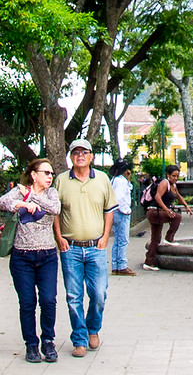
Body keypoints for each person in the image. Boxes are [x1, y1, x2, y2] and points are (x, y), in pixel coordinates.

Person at [53, 139, 118, 358]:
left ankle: (93, 328)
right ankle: (79, 338)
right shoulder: (61, 181)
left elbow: (109, 210)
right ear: (71, 157)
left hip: (95, 247)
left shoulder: (102, 179)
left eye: (84, 152)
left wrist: (106, 237)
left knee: (98, 294)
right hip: (70, 248)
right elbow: (55, 212)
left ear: (91, 156)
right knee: (73, 296)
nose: (80, 155)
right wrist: (59, 237)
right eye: (76, 152)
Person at [0, 158, 61, 363]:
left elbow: (55, 209)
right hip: (22, 257)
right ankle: (31, 345)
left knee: (48, 300)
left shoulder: (51, 193)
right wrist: (21, 202)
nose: (50, 177)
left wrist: (32, 197)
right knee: (27, 303)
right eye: (46, 173)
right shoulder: (19, 191)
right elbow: (3, 202)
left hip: (47, 256)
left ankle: (48, 341)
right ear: (34, 175)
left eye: (51, 174)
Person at [142, 164, 193, 271]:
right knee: (177, 217)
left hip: (158, 212)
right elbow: (157, 197)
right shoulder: (164, 183)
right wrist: (167, 210)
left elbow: (178, 196)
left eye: (177, 176)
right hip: (154, 211)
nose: (175, 178)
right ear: (168, 175)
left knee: (155, 239)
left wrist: (186, 206)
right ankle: (169, 238)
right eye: (173, 176)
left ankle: (148, 262)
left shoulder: (173, 185)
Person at [109, 160, 135, 276]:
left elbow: (128, 189)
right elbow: (119, 198)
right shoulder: (120, 181)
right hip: (121, 212)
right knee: (123, 240)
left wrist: (128, 179)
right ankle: (122, 265)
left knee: (118, 240)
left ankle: (116, 265)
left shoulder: (115, 180)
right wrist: (126, 210)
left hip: (114, 212)